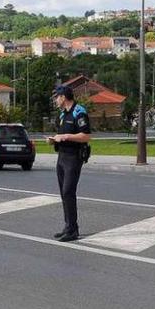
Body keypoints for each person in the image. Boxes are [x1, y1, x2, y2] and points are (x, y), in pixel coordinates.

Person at [47, 85, 91, 242]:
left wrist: (65, 136)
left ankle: (73, 230)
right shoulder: (62, 114)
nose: (55, 100)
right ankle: (68, 226)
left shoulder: (79, 112)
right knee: (63, 193)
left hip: (73, 157)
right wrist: (54, 139)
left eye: (57, 97)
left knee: (68, 192)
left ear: (63, 97)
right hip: (62, 156)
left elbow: (85, 136)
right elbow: (62, 134)